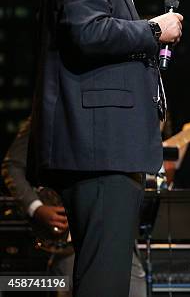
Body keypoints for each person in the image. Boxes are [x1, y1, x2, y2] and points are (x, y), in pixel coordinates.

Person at [27, 0, 183, 297]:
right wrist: (154, 29)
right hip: (99, 150)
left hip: (106, 149)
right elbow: (86, 31)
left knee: (106, 277)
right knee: (103, 281)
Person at [2, 118, 146, 297]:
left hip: (115, 229)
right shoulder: (50, 111)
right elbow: (12, 165)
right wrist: (37, 207)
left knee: (136, 289)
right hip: (71, 236)